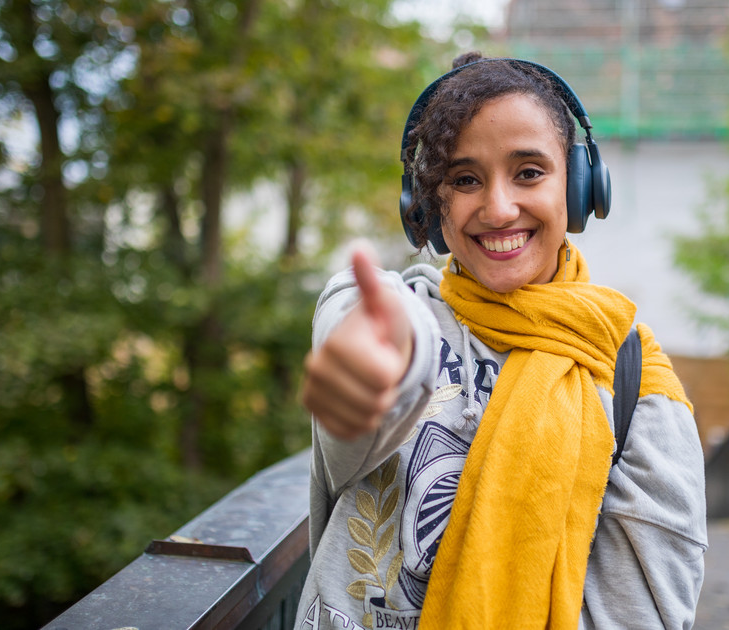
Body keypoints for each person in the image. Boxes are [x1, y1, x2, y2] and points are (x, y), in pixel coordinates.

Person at [294, 52, 707, 630]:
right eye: (464, 179)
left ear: (581, 186)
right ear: (428, 205)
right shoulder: (387, 311)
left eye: (529, 172)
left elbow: (642, 613)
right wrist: (369, 371)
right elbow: (365, 361)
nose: (498, 207)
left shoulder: (637, 383)